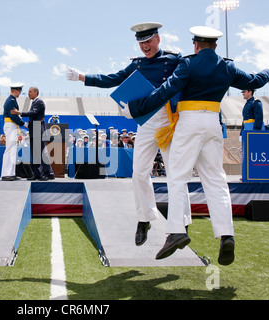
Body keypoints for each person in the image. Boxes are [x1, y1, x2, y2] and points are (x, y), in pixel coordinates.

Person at [125, 26, 269, 265]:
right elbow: (255, 80)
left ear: (195, 45)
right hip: (214, 123)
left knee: (177, 176)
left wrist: (136, 108)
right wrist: (268, 72)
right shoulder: (227, 66)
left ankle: (175, 231)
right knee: (216, 180)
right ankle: (226, 235)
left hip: (189, 123)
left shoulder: (188, 64)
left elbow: (165, 92)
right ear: (214, 45)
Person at [67, 22, 191, 246]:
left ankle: (182, 222)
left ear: (158, 39)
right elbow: (113, 79)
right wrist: (83, 77)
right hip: (145, 121)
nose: (145, 46)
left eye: (148, 41)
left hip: (169, 121)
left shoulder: (174, 59)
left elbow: (188, 81)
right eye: (141, 43)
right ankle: (144, 219)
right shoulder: (138, 64)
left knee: (176, 173)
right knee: (139, 173)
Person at [11, 87, 55, 181]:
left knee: (41, 152)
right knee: (35, 153)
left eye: (30, 92)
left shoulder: (39, 102)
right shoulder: (34, 102)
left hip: (38, 129)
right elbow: (34, 116)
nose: (28, 93)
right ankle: (37, 173)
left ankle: (47, 174)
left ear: (36, 92)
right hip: (34, 129)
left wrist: (19, 113)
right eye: (28, 92)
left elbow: (33, 113)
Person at [1, 84, 25, 181]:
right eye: (19, 91)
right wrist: (23, 123)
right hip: (10, 125)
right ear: (15, 90)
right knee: (10, 149)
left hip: (12, 125)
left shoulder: (12, 100)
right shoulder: (10, 101)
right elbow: (13, 116)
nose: (20, 93)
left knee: (13, 150)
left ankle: (11, 173)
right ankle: (6, 173)